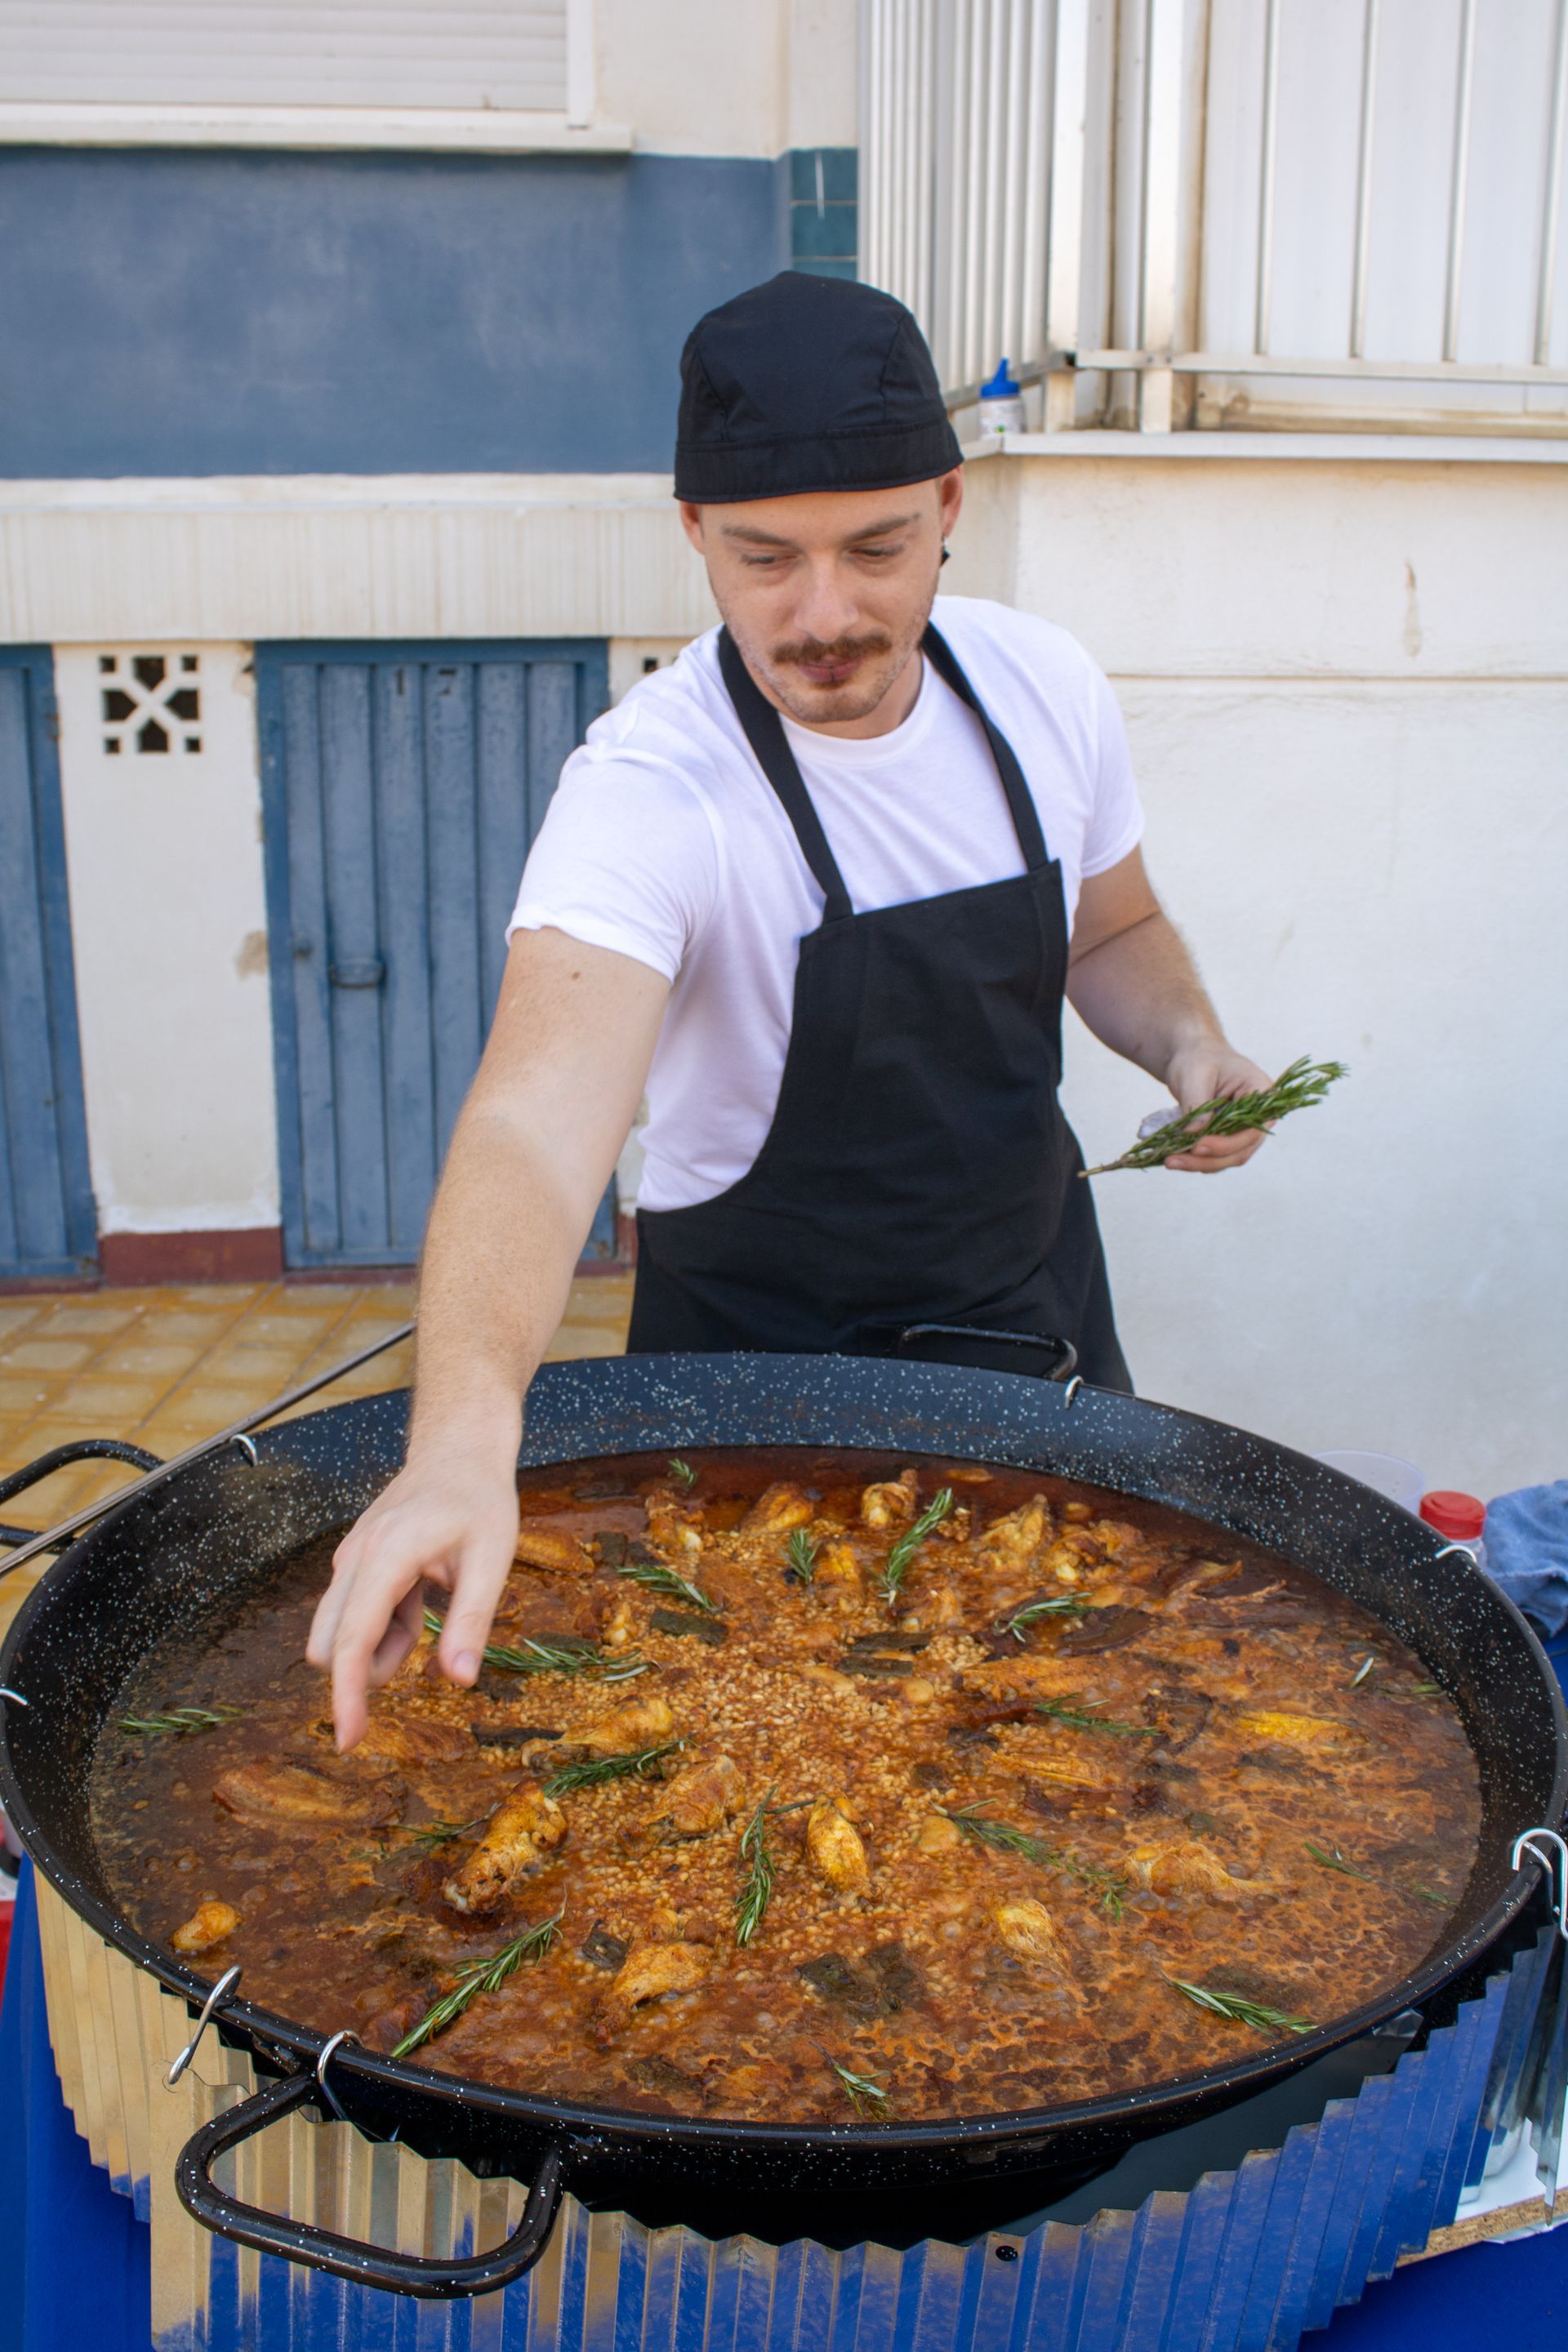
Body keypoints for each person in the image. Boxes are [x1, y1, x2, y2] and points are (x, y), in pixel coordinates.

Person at [310, 273, 1269, 1747]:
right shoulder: (650, 793)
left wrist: (1188, 1040)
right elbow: (531, 1130)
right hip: (756, 1392)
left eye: (878, 547)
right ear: (695, 533)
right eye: (767, 559)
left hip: (1034, 1333)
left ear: (950, 505)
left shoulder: (1044, 689)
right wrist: (460, 1436)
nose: (826, 615)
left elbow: (1114, 927)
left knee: (1060, 1748)